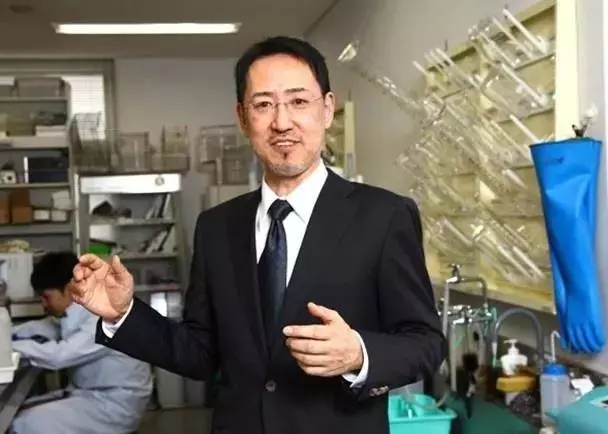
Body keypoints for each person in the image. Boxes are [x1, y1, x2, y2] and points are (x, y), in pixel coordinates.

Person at [69, 36, 445, 434]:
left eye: (298, 101)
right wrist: (123, 314)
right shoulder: (216, 227)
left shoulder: (383, 216)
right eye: (264, 105)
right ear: (243, 117)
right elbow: (200, 352)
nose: (282, 122)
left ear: (326, 109)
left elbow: (426, 342)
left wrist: (359, 354)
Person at [10, 251, 153, 434]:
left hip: (114, 404)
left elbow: (59, 357)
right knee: (18, 411)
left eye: (46, 297)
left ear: (70, 288)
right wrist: (9, 333)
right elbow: (48, 327)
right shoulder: (83, 310)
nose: (44, 305)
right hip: (93, 394)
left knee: (25, 424)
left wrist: (8, 348)